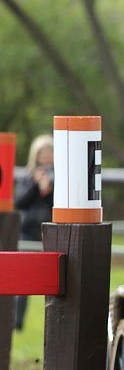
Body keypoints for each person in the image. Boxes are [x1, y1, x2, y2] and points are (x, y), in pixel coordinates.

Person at [13, 134, 54, 330]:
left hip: (48, 234)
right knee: (22, 282)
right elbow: (19, 202)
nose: (46, 157)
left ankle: (52, 322)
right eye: (42, 153)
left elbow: (56, 205)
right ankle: (17, 322)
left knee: (52, 282)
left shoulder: (60, 178)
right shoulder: (27, 177)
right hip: (27, 234)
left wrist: (48, 190)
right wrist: (36, 187)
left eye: (49, 153)